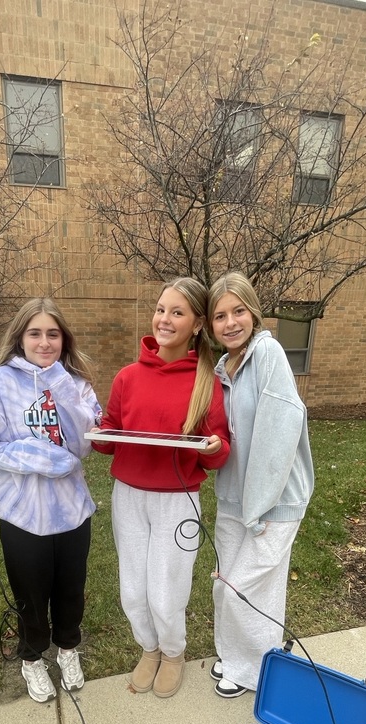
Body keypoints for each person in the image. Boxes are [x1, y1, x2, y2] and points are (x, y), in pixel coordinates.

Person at [91, 277, 230, 698]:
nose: (164, 319)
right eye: (160, 309)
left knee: (166, 587)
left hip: (178, 500)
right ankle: (148, 648)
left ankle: (173, 653)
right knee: (133, 587)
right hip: (129, 496)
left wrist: (213, 447)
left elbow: (218, 451)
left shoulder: (205, 381)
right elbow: (109, 435)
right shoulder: (127, 377)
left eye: (177, 312)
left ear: (197, 324)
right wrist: (98, 435)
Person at [0, 298, 101, 703]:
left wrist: (60, 385)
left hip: (72, 511)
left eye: (53, 334)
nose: (44, 342)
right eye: (35, 333)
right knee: (29, 593)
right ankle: (32, 657)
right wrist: (45, 457)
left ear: (63, 339)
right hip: (22, 514)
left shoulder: (76, 383)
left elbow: (84, 445)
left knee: (70, 589)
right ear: (20, 338)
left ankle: (67, 649)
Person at [208, 272, 314, 697]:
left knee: (246, 592)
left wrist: (258, 506)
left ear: (253, 312)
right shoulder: (222, 367)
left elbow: (279, 431)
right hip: (234, 498)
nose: (231, 322)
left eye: (238, 311)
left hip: (272, 502)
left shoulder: (267, 353)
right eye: (220, 315)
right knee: (224, 586)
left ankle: (255, 673)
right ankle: (235, 659)